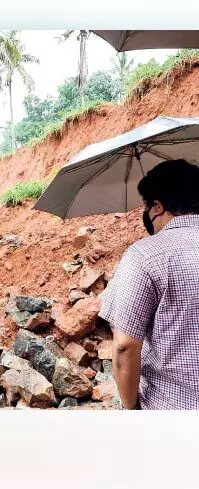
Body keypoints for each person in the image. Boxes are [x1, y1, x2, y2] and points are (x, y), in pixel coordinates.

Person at [99, 159, 199, 410]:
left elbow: (124, 346)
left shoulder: (145, 255)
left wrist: (131, 411)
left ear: (157, 207)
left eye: (146, 206)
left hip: (172, 415)